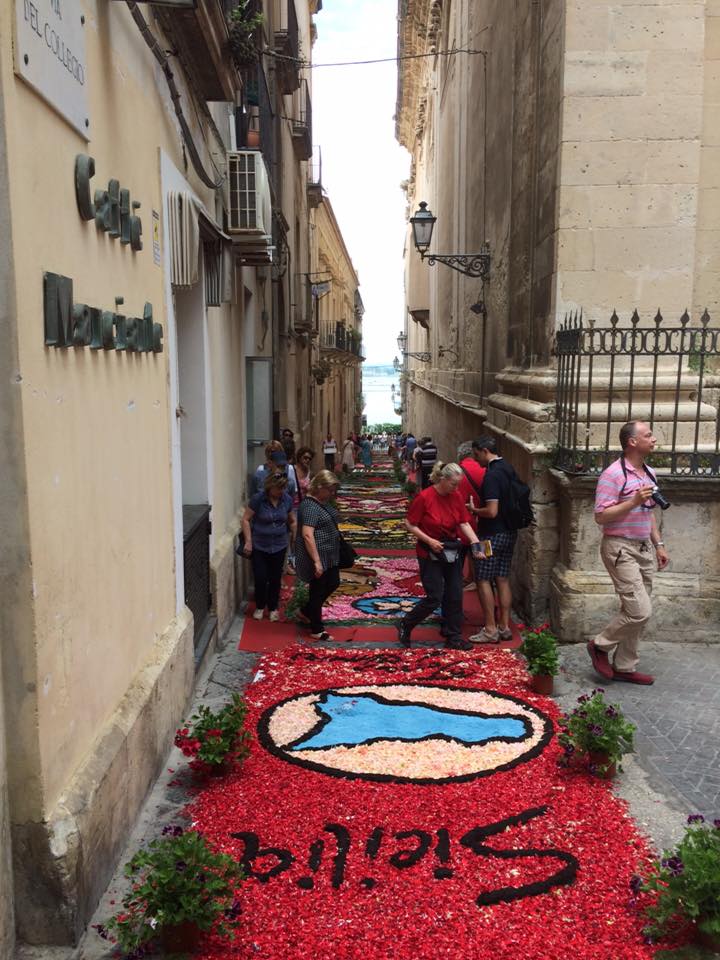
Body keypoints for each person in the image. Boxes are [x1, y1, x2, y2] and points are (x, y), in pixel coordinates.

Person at [587, 421, 669, 685]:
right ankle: (600, 645)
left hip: (643, 547)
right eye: (648, 435)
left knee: (636, 611)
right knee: (639, 610)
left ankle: (624, 666)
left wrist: (658, 544)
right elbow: (600, 516)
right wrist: (631, 501)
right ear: (632, 442)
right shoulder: (613, 475)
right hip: (620, 548)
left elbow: (649, 512)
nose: (654, 439)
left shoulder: (649, 473)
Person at [397, 462, 484, 651]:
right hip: (429, 552)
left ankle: (453, 636)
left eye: (458, 484)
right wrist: (429, 541)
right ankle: (407, 623)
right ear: (443, 479)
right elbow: (410, 524)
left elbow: (463, 523)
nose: (456, 488)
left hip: (451, 550)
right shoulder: (425, 497)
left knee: (454, 593)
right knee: (434, 596)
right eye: (453, 484)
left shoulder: (456, 496)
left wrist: (476, 543)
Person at [467, 436, 520, 644]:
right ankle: (504, 626)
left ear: (483, 451)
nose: (475, 459)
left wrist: (474, 510)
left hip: (489, 534)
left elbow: (491, 511)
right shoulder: (508, 468)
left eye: (476, 454)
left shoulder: (491, 475)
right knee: (503, 578)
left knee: (482, 579)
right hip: (509, 532)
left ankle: (490, 628)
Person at [241, 471, 296, 622]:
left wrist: (294, 536)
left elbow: (292, 520)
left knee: (275, 578)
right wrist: (248, 541)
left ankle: (272, 608)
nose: (281, 492)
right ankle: (260, 606)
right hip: (260, 545)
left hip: (279, 545)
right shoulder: (258, 499)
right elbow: (245, 519)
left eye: (283, 488)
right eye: (278, 489)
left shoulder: (286, 500)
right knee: (260, 577)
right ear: (270, 487)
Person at [294, 470, 342, 642]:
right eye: (330, 489)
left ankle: (306, 611)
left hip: (330, 555)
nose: (332, 493)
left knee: (334, 582)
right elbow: (307, 534)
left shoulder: (320, 502)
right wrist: (316, 561)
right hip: (319, 555)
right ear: (320, 487)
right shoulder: (310, 506)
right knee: (317, 590)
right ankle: (317, 628)